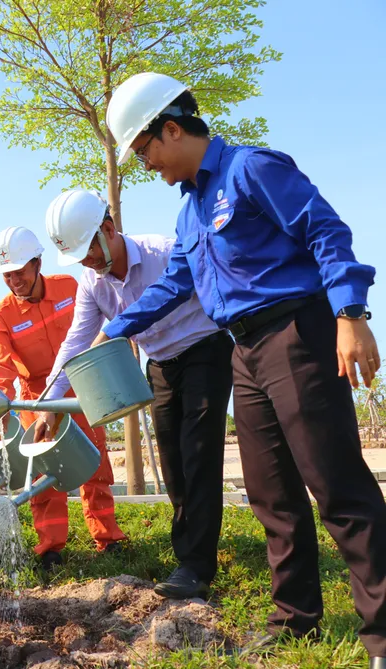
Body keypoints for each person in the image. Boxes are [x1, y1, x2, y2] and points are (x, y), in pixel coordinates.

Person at [93, 71, 386, 666]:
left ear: (171, 130)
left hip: (297, 334)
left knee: (336, 486)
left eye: (146, 149)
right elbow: (177, 283)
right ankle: (295, 617)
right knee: (270, 492)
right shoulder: (190, 212)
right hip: (244, 352)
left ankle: (382, 629)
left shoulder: (252, 169)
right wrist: (114, 326)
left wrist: (350, 314)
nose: (146, 163)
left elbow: (324, 230)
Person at [38, 188, 233, 598]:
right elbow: (75, 343)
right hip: (160, 366)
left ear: (108, 229)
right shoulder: (92, 285)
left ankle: (196, 567)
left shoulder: (163, 252)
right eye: (76, 259)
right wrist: (48, 405)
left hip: (206, 352)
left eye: (88, 252)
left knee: (198, 454)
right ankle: (189, 556)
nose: (86, 264)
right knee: (174, 464)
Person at [0, 226, 126, 571]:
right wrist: (0, 408)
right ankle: (50, 548)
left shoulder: (70, 286)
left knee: (96, 463)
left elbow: (105, 318)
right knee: (42, 474)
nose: (13, 280)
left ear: (37, 262)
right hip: (38, 399)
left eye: (19, 272)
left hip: (82, 387)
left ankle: (108, 538)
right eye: (6, 275)